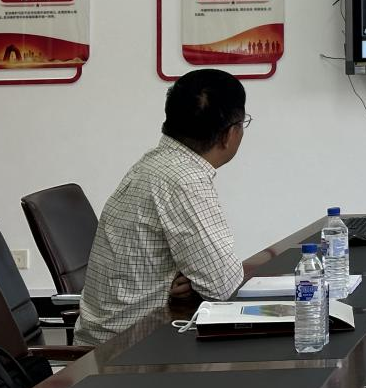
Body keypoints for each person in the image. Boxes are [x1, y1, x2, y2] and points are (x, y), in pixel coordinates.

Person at [75, 69, 249, 344]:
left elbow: (209, 278)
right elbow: (223, 287)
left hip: (120, 335)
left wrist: (190, 280)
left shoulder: (157, 162)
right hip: (126, 348)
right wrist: (196, 280)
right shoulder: (183, 179)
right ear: (229, 134)